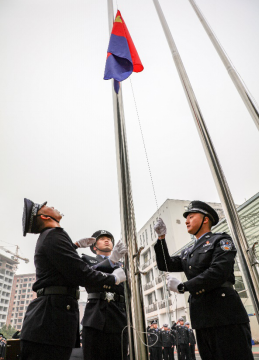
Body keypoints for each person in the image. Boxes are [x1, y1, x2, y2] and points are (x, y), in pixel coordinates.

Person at [20, 198, 126, 360]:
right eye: (46, 207)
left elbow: (64, 264)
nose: (52, 206)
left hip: (52, 318)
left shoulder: (51, 237)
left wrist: (74, 245)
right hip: (49, 320)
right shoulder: (54, 235)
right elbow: (80, 272)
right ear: (44, 217)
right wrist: (112, 279)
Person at [154, 200, 253, 360]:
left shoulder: (221, 240)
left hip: (225, 315)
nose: (186, 221)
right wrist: (161, 239)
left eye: (191, 217)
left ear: (205, 219)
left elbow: (218, 272)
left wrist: (183, 287)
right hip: (201, 317)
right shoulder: (188, 251)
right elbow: (165, 264)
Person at [78, 230, 128, 360]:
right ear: (94, 247)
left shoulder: (123, 265)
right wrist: (111, 262)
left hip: (119, 316)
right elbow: (88, 276)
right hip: (96, 316)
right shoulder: (87, 259)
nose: (107, 240)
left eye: (109, 239)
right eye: (102, 239)